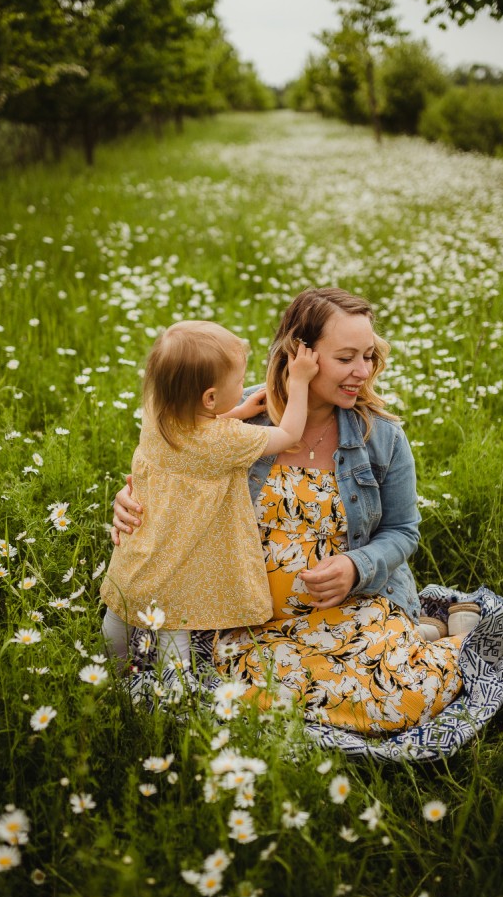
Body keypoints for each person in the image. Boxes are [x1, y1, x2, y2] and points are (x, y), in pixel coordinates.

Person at [112, 289, 477, 735]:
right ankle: (422, 635)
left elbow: (404, 531)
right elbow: (170, 469)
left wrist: (354, 565)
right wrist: (129, 502)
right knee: (197, 680)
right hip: (244, 614)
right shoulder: (235, 417)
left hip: (349, 610)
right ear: (298, 355)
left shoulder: (382, 437)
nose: (362, 371)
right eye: (346, 358)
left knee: (400, 701)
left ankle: (440, 639)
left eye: (368, 355)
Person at [101, 319, 319, 669]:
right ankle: (175, 697)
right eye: (239, 382)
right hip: (184, 566)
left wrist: (235, 412)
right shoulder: (225, 441)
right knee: (177, 634)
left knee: (119, 616)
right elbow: (291, 434)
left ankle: (110, 672)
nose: (244, 388)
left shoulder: (156, 413)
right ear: (210, 397)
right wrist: (300, 381)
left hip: (140, 553)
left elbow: (195, 420)